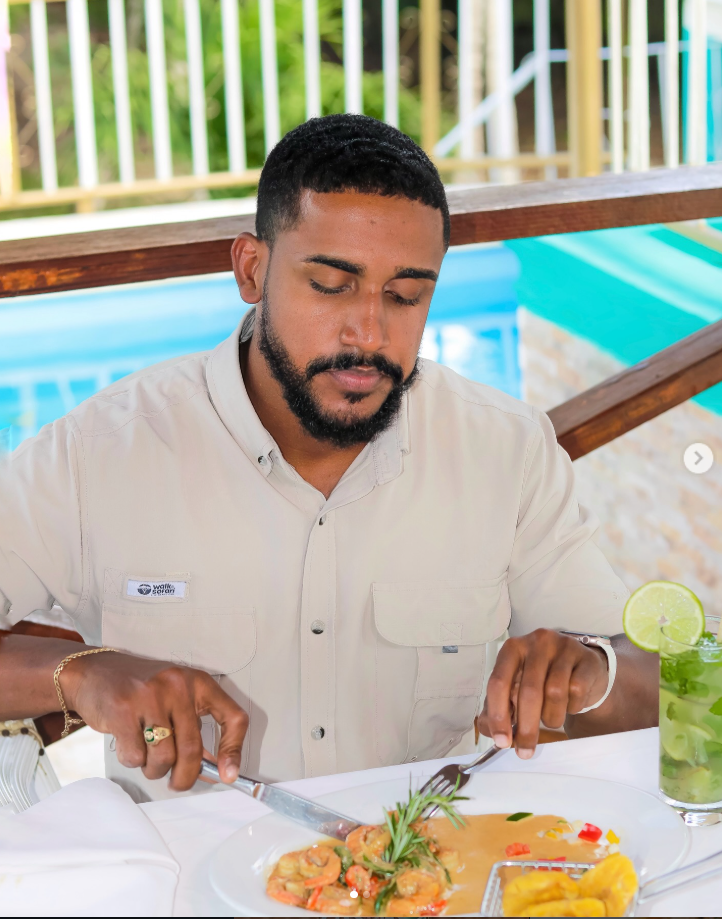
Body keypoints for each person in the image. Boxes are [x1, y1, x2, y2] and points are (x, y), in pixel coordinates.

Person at [0, 115, 657, 802]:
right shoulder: (103, 451)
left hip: (431, 885)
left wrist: (594, 671)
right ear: (252, 269)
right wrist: (75, 672)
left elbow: (658, 684)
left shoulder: (505, 450)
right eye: (331, 284)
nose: (368, 331)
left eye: (405, 295)